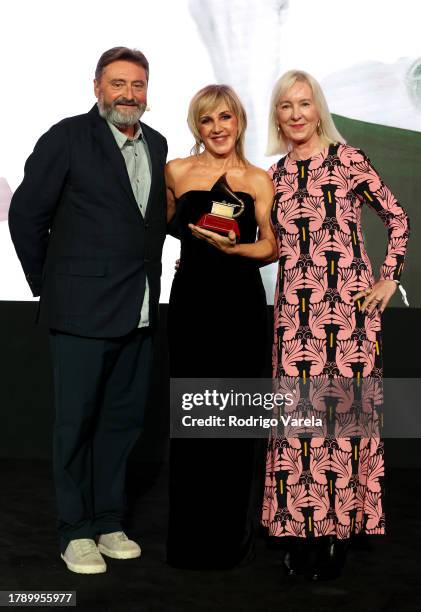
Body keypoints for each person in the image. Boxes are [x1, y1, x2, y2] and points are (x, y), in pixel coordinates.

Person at [8, 47, 168, 574]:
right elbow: (26, 214)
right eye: (118, 83)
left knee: (121, 425)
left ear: (147, 91)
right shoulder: (67, 137)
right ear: (97, 87)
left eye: (138, 85)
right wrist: (49, 286)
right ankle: (73, 531)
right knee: (75, 424)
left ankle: (107, 520)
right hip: (79, 312)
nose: (128, 94)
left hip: (139, 310)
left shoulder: (158, 144)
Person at [261, 70, 410, 580]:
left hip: (349, 315)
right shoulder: (275, 175)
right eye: (286, 106)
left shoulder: (349, 161)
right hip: (292, 321)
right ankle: (298, 532)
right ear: (277, 115)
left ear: (318, 108)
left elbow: (398, 218)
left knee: (342, 426)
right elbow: (269, 245)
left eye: (304, 103)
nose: (296, 114)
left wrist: (389, 278)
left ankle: (337, 531)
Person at [165, 84, 276, 569]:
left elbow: (271, 245)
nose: (217, 128)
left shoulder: (259, 179)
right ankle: (189, 542)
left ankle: (231, 541)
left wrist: (235, 250)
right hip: (191, 306)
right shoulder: (177, 171)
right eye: (207, 120)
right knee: (192, 423)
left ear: (239, 122)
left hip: (241, 307)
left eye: (225, 118)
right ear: (197, 126)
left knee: (233, 425)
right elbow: (157, 228)